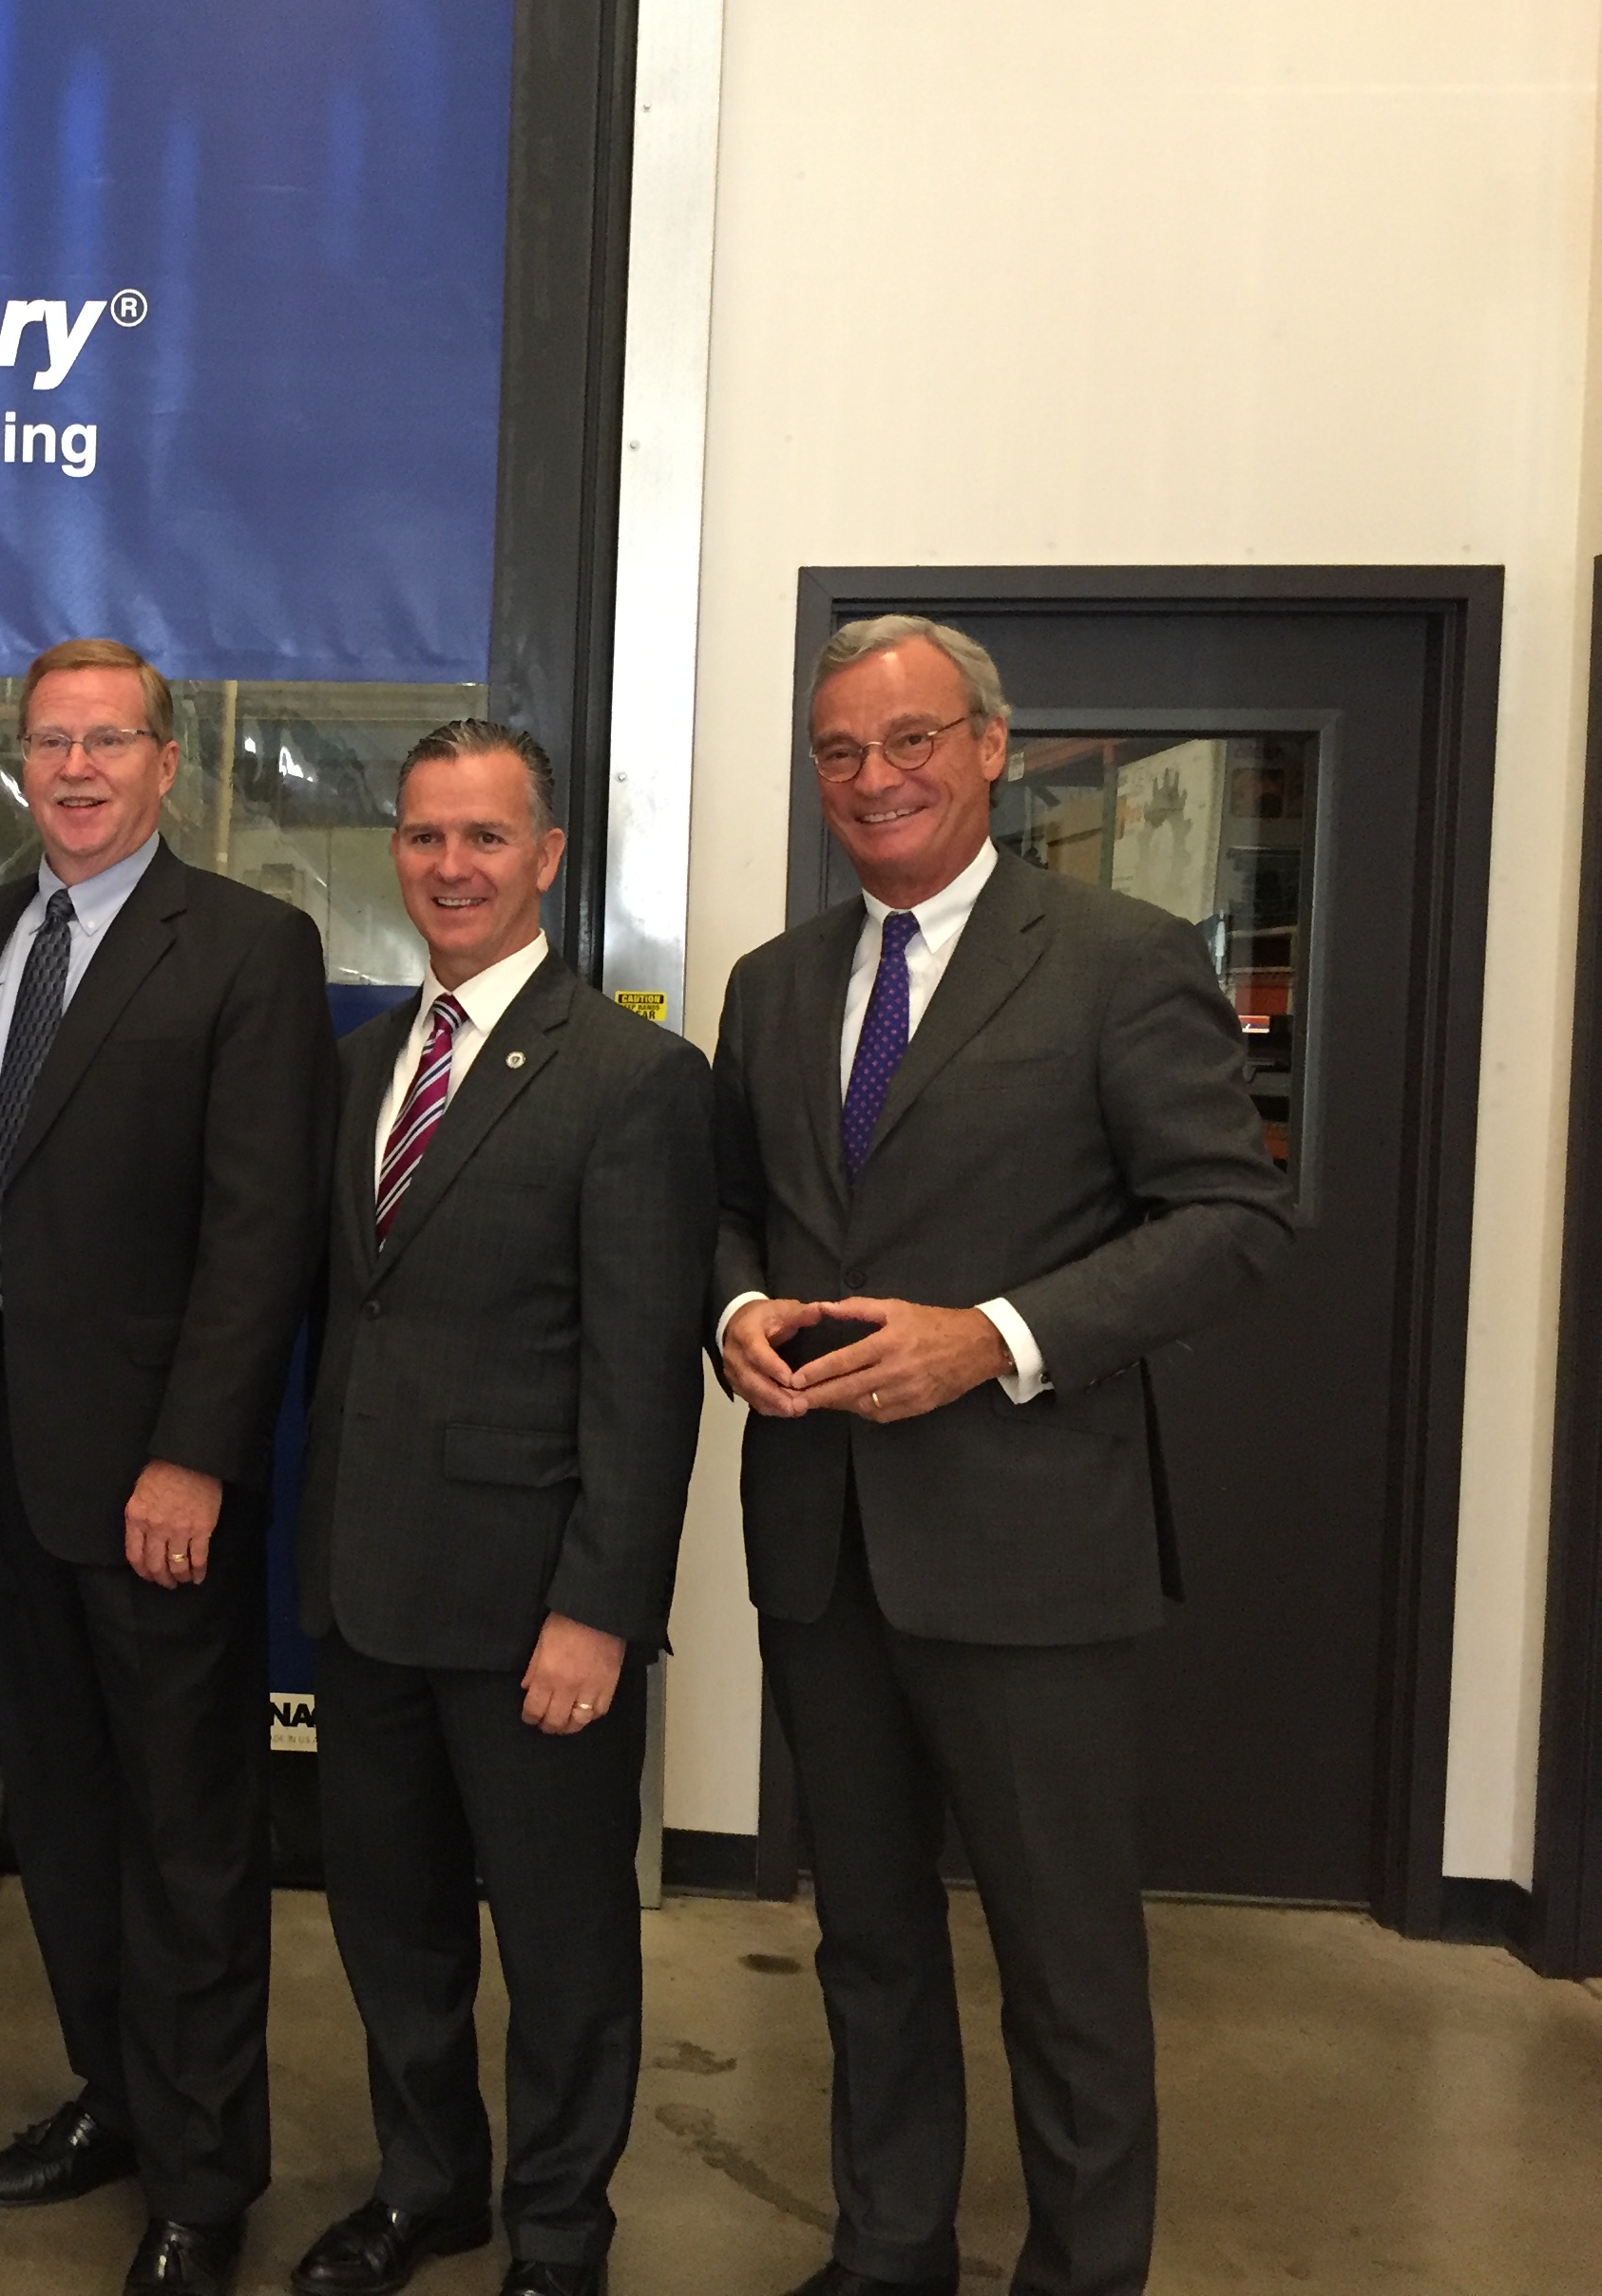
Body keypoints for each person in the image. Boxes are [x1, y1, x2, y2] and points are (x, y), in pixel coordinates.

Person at [713, 616, 1294, 2296]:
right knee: (868, 1940)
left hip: (1032, 1551)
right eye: (840, 751)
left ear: (989, 746)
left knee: (1066, 1964)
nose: (873, 777)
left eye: (909, 740)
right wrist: (735, 1307)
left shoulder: (1117, 958)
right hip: (821, 1542)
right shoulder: (774, 983)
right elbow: (735, 1207)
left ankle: (1083, 2271)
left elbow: (1230, 1221)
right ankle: (890, 2248)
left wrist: (996, 1336)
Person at [0, 637, 337, 2296]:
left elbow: (260, 1236)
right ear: (18, 761)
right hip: (0, 1457)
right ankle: (117, 2093)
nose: (78, 769)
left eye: (110, 741)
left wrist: (194, 1458)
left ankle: (206, 2173)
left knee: (187, 1835)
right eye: (51, 741)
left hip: (158, 1480)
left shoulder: (247, 947)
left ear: (169, 763)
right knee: (68, 1816)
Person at [290, 721, 713, 2296]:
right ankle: (428, 2188)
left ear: (547, 857)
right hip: (364, 1586)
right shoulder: (358, 1068)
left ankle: (559, 2234)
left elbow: (642, 1380)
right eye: (423, 836)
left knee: (562, 1945)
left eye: (484, 837)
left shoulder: (635, 1080)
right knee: (392, 1926)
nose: (450, 866)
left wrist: (599, 1610)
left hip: (533, 1606)